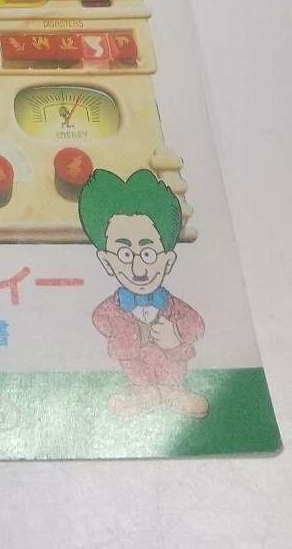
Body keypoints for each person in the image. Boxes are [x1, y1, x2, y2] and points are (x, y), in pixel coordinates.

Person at [77, 168, 208, 418]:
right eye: (125, 254)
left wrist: (177, 334)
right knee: (136, 387)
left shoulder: (173, 305)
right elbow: (99, 319)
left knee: (173, 381)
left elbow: (197, 326)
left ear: (168, 261)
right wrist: (124, 335)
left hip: (172, 367)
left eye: (148, 254)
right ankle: (143, 392)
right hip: (137, 371)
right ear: (106, 261)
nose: (138, 269)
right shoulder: (111, 308)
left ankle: (173, 391)